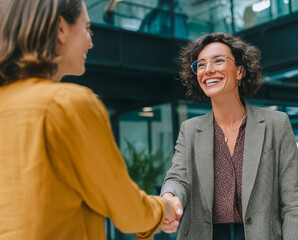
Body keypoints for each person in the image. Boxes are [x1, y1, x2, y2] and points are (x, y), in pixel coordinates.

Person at [0, 0, 181, 239]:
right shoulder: (67, 103)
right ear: (60, 29)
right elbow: (124, 208)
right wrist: (164, 208)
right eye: (87, 28)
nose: (91, 41)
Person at [160, 32, 298, 239]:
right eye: (200, 65)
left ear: (240, 71)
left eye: (218, 61)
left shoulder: (276, 123)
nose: (208, 69)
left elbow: (293, 205)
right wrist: (169, 197)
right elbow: (178, 178)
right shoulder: (190, 129)